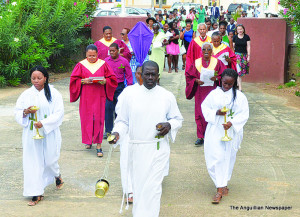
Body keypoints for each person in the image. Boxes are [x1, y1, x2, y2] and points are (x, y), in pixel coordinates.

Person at [109, 60, 183, 217]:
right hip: (137, 149)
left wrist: (169, 125)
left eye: (153, 74)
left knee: (153, 188)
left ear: (158, 75)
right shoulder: (130, 95)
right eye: (147, 74)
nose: (150, 77)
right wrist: (117, 133)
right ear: (140, 75)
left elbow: (178, 119)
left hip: (157, 149)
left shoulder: (166, 96)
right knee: (139, 188)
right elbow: (122, 121)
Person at [15, 66, 64, 206]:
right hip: (31, 133)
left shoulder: (54, 93)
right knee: (33, 162)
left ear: (45, 78)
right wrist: (24, 112)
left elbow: (58, 113)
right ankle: (36, 192)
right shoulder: (26, 94)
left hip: (49, 132)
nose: (36, 81)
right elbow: (17, 111)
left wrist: (44, 123)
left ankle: (57, 174)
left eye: (39, 78)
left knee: (50, 160)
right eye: (33, 78)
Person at [201, 68, 249, 204]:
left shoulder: (240, 96)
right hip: (215, 130)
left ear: (234, 83)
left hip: (232, 132)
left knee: (227, 158)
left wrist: (232, 123)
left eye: (229, 84)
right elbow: (204, 107)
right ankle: (221, 185)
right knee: (215, 158)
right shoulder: (213, 94)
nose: (226, 86)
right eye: (224, 83)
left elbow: (244, 113)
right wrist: (216, 112)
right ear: (220, 80)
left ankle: (221, 188)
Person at [70, 44, 118, 157]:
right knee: (86, 119)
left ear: (97, 54)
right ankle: (88, 140)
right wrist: (82, 81)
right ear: (86, 54)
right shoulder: (81, 65)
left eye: (94, 56)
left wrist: (105, 81)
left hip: (99, 97)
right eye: (89, 56)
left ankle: (98, 145)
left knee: (99, 120)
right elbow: (73, 80)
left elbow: (112, 79)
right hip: (86, 97)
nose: (92, 58)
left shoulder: (103, 64)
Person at [185, 42, 226, 146]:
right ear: (201, 51)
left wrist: (217, 78)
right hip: (200, 92)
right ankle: (201, 136)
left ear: (212, 51)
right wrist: (195, 80)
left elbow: (225, 75)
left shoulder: (218, 62)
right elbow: (189, 76)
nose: (206, 52)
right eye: (204, 50)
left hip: (213, 91)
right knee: (200, 113)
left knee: (213, 112)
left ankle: (211, 135)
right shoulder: (197, 63)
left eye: (209, 50)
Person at [104, 43, 133, 139]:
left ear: (118, 50)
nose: (111, 52)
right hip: (108, 87)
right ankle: (108, 130)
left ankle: (118, 130)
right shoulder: (105, 61)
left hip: (120, 87)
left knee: (119, 109)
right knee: (108, 108)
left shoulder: (124, 61)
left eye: (113, 50)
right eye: (110, 51)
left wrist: (129, 88)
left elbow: (128, 75)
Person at [232, 24, 250, 91]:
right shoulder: (235, 37)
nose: (240, 30)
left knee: (242, 72)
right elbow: (232, 47)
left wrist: (249, 56)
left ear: (243, 29)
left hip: (244, 55)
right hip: (237, 55)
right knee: (238, 71)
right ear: (236, 30)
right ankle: (240, 88)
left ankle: (237, 84)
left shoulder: (247, 37)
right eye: (238, 29)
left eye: (241, 29)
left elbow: (248, 46)